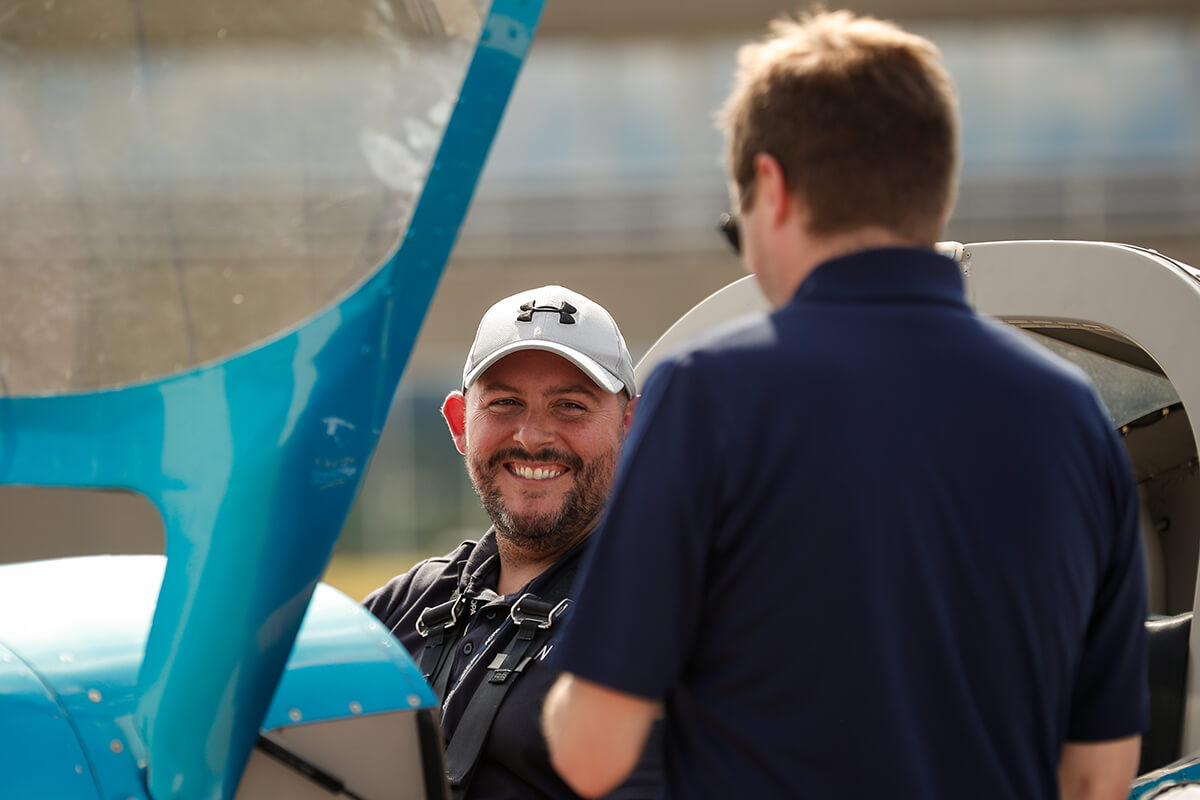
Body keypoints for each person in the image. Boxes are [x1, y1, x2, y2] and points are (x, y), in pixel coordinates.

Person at [543, 10, 1148, 800]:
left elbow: (593, 752)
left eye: (738, 225)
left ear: (772, 187)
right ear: (934, 189)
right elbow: (1100, 777)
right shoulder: (1073, 415)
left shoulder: (705, 393)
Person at [364, 285, 659, 799]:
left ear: (631, 427)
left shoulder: (670, 619)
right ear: (460, 424)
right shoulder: (402, 606)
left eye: (570, 406)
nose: (532, 436)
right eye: (504, 403)